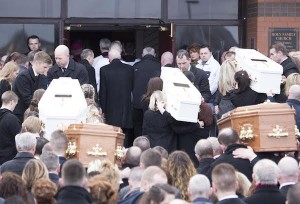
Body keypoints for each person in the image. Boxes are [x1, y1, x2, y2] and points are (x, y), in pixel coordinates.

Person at [99, 45, 134, 147]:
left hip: (111, 109)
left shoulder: (104, 70)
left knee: (111, 137)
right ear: (119, 57)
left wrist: (103, 109)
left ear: (109, 57)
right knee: (124, 137)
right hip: (125, 109)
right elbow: (132, 87)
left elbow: (103, 92)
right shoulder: (130, 69)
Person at [13, 51, 51, 122]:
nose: (47, 70)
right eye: (45, 67)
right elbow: (27, 99)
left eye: (48, 67)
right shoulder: (23, 77)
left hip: (36, 113)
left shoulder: (42, 76)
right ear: (36, 63)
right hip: (21, 116)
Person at [132, 47, 161, 138]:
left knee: (137, 126)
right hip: (155, 102)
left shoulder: (136, 66)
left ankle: (138, 145)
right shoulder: (159, 66)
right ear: (155, 55)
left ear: (142, 55)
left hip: (137, 102)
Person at [196, 44, 221, 110]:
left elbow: (215, 84)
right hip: (197, 97)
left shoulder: (216, 65)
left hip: (210, 97)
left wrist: (206, 96)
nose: (203, 55)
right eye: (201, 53)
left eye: (205, 53)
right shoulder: (197, 65)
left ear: (210, 53)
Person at [0, 91, 21, 165]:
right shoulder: (12, 119)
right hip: (8, 159)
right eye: (16, 104)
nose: (15, 106)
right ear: (12, 102)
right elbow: (18, 139)